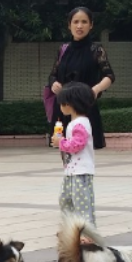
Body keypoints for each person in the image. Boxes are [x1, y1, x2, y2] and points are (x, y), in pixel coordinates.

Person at [48, 6, 115, 150]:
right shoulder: (63, 49)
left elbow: (109, 76)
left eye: (84, 22)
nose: (79, 26)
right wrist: (54, 83)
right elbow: (53, 75)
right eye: (75, 22)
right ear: (69, 25)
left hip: (85, 107)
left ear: (91, 25)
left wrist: (95, 89)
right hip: (64, 107)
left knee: (84, 150)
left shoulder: (96, 50)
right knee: (63, 149)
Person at [52, 82, 97, 225]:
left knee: (81, 203)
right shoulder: (75, 123)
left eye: (62, 103)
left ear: (71, 104)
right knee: (66, 199)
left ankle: (87, 231)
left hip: (81, 171)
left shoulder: (80, 123)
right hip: (72, 171)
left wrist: (61, 143)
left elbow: (77, 144)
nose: (60, 106)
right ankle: (71, 228)